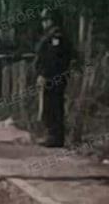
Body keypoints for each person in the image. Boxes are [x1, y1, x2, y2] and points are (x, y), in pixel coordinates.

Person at [34, 9, 73, 148]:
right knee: (49, 105)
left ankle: (55, 136)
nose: (44, 23)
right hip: (52, 77)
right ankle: (52, 134)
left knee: (53, 106)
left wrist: (45, 74)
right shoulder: (50, 36)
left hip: (54, 77)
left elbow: (52, 58)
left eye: (46, 20)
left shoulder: (57, 37)